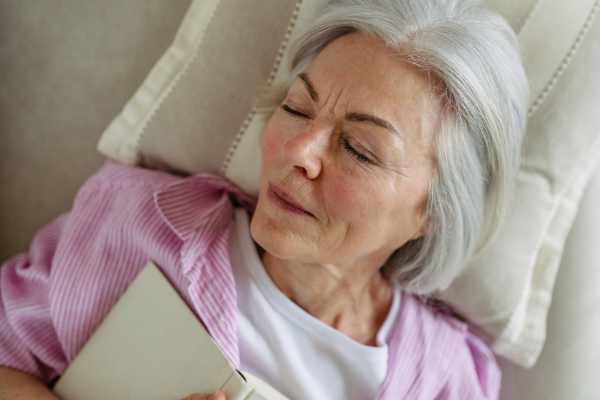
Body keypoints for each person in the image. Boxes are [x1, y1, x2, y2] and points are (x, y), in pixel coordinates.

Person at [0, 0, 528, 399]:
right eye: (298, 108)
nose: (299, 149)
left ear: (434, 212)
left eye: (360, 150)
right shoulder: (136, 223)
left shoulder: (449, 379)